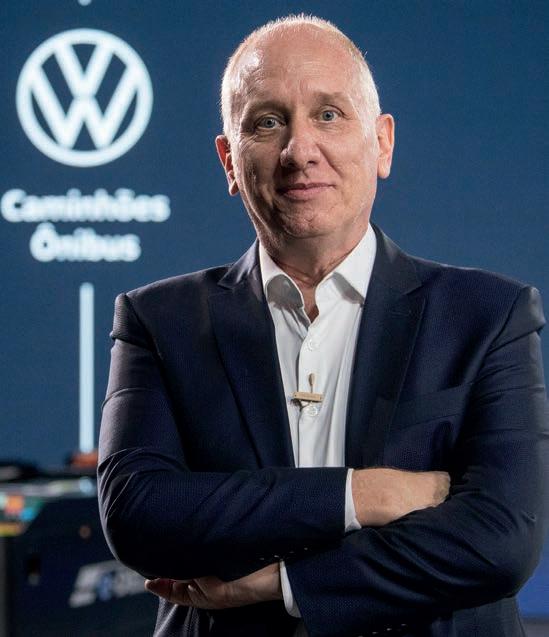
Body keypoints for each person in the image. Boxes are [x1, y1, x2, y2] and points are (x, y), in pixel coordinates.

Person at [97, 14, 548, 637]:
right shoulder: (159, 321)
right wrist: (362, 495)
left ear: (382, 143)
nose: (299, 151)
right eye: (267, 122)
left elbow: (501, 540)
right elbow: (139, 516)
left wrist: (285, 585)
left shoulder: (489, 316)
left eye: (329, 115)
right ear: (229, 162)